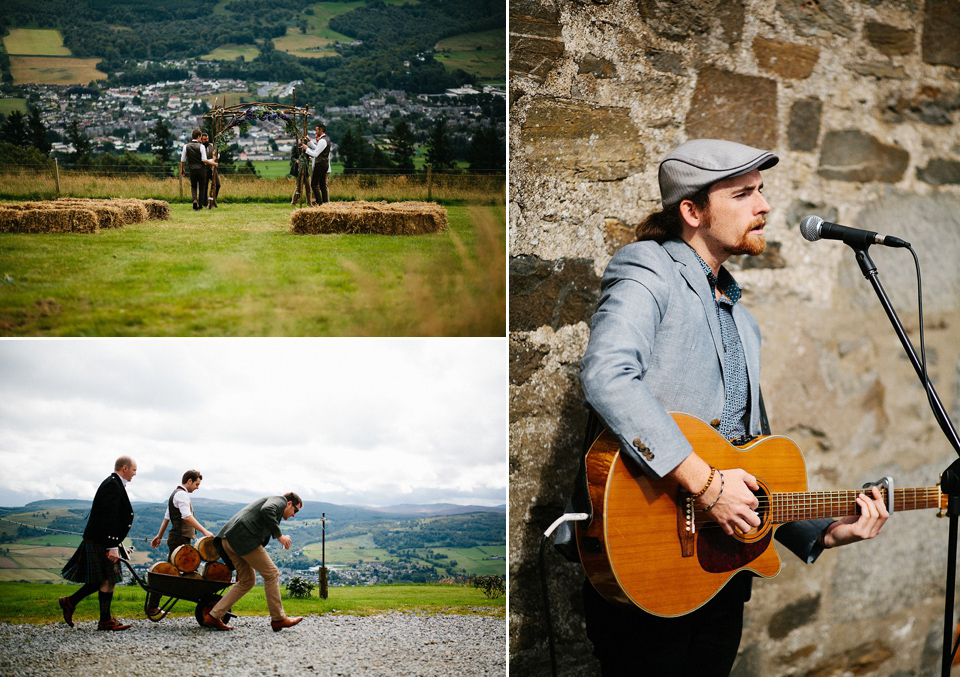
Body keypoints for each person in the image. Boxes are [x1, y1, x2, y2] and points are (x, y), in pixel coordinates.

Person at [577, 138, 890, 676]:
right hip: (648, 559)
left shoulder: (742, 319)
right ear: (692, 211)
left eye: (761, 191)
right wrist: (707, 484)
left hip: (721, 571)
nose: (764, 206)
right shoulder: (647, 267)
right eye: (743, 194)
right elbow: (607, 377)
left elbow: (750, 454)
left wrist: (818, 530)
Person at [202, 492, 304, 632]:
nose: (294, 515)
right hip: (243, 539)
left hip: (229, 540)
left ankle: (213, 616)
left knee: (247, 580)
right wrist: (279, 536)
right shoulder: (280, 500)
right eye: (295, 510)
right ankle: (278, 619)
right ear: (289, 503)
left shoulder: (275, 506)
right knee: (272, 573)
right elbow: (267, 509)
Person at [58, 456, 137, 632]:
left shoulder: (114, 483)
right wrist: (112, 546)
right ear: (125, 468)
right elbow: (108, 517)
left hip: (101, 540)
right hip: (102, 541)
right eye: (134, 470)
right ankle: (102, 619)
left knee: (104, 579)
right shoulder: (112, 485)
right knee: (108, 578)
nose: (135, 474)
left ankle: (73, 604)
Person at [146, 469, 215, 618]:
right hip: (179, 539)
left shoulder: (174, 494)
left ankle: (153, 605)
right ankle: (152, 606)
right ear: (189, 481)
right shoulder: (182, 495)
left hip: (177, 538)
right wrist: (205, 531)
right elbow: (187, 517)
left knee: (168, 573)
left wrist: (159, 536)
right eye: (196, 484)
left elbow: (166, 518)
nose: (197, 487)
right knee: (167, 574)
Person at [179, 128, 217, 211]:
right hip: (201, 170)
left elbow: (182, 160)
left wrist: (182, 169)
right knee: (202, 187)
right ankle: (200, 204)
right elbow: (204, 160)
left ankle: (194, 200)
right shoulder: (201, 146)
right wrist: (213, 163)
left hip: (192, 170)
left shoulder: (186, 146)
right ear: (199, 137)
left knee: (193, 186)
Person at [302, 124, 331, 204]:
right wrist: (309, 142)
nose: (316, 132)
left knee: (314, 184)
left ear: (321, 130)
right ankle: (325, 203)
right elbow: (317, 148)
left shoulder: (322, 141)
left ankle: (319, 203)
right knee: (322, 185)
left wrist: (306, 148)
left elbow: (315, 154)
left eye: (316, 130)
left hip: (320, 164)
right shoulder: (326, 139)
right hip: (325, 163)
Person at [200, 132, 220, 208]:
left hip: (212, 169)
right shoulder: (200, 147)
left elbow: (217, 154)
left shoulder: (211, 146)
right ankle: (204, 203)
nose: (206, 140)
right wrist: (211, 161)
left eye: (207, 139)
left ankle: (213, 200)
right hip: (203, 169)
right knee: (204, 186)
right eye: (205, 139)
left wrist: (215, 158)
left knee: (217, 184)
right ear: (201, 139)